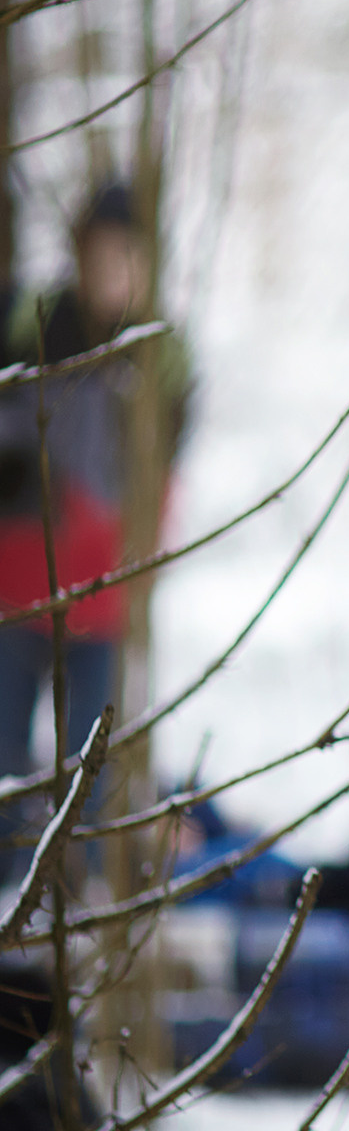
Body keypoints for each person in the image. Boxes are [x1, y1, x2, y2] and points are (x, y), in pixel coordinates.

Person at [0, 182, 188, 841]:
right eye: (104, 254)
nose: (116, 271)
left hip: (103, 598)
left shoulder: (163, 353)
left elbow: (162, 475)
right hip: (19, 592)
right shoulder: (34, 327)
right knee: (5, 757)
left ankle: (77, 893)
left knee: (91, 768)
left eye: (130, 255)